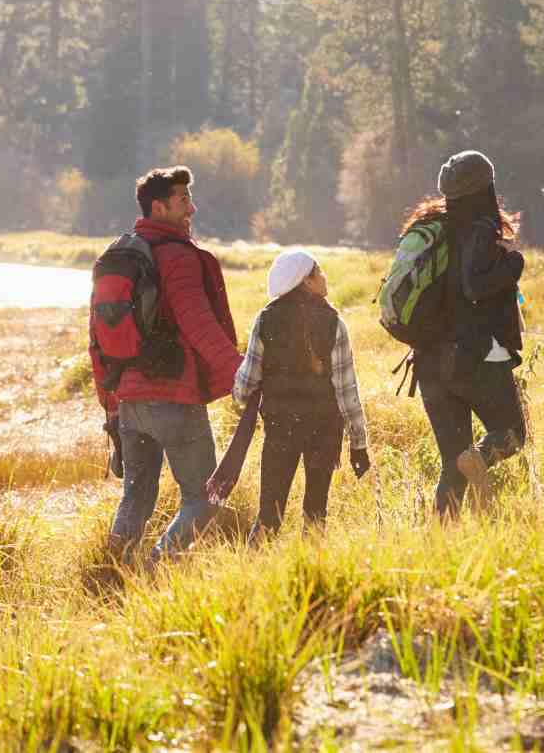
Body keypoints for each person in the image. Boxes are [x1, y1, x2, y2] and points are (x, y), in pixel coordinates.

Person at [103, 166, 242, 563]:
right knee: (205, 496)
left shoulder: (120, 256)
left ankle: (117, 573)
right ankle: (156, 565)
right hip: (174, 397)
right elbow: (198, 323)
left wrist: (111, 403)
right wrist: (242, 375)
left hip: (129, 399)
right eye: (183, 201)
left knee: (137, 495)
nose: (192, 209)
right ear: (159, 207)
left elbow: (99, 340)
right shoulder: (177, 258)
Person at [406, 150, 527, 515]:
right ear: (486, 187)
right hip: (474, 357)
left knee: (452, 462)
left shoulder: (431, 230)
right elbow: (475, 285)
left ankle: (444, 542)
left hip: (428, 361)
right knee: (511, 435)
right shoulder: (479, 229)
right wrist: (514, 263)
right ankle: (478, 460)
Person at [230, 249, 371, 541]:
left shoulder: (265, 319)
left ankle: (254, 574)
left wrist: (244, 395)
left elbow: (244, 386)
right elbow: (347, 392)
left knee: (269, 513)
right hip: (325, 429)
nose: (324, 276)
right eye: (318, 272)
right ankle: (311, 575)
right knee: (316, 512)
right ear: (305, 281)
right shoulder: (334, 322)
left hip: (281, 428)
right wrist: (359, 444)